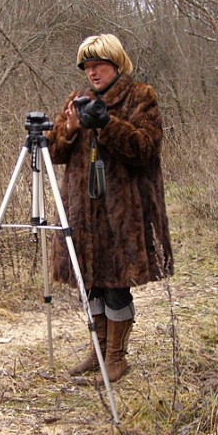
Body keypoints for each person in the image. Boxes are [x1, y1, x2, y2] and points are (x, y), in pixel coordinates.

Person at [47, 33, 173, 382]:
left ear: (116, 64)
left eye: (98, 65)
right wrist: (69, 129)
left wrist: (108, 124)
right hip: (82, 210)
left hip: (123, 211)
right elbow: (54, 153)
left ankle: (117, 357)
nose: (92, 73)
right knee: (91, 283)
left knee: (117, 283)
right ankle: (98, 351)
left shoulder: (140, 96)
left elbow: (146, 147)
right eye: (86, 66)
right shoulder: (77, 98)